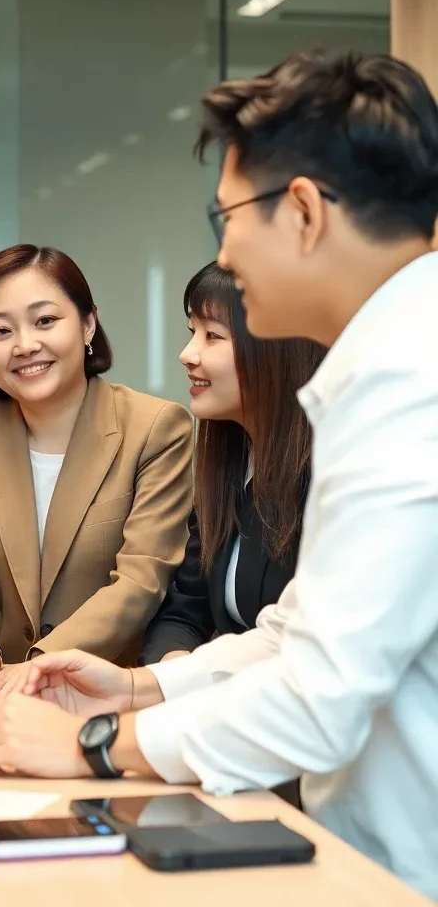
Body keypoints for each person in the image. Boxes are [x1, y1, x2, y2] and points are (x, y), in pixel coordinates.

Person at [0, 50, 438, 900]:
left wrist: (91, 748)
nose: (224, 247)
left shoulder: (409, 387)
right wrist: (138, 686)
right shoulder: (389, 368)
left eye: (227, 216)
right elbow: (294, 633)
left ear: (301, 211)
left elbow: (315, 698)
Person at [0, 244, 193, 697]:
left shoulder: (156, 427)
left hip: (113, 689)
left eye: (45, 320)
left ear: (88, 323)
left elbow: (141, 579)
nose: (25, 344)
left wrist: (42, 663)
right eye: (0, 330)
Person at [140, 262, 323, 664]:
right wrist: (173, 665)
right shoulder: (232, 462)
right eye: (192, 333)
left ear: (276, 350)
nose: (187, 354)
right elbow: (183, 612)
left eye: (213, 336)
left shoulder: (329, 474)